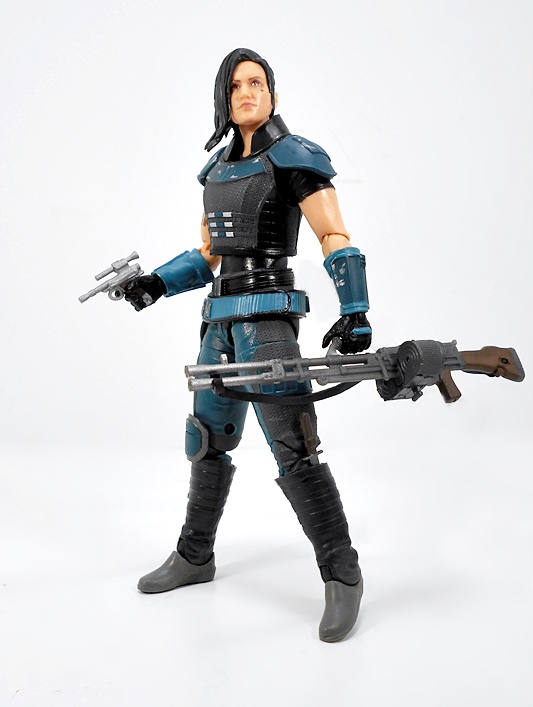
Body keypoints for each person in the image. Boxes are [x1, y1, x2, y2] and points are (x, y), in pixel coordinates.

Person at [124, 48, 372, 643]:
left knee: (294, 446)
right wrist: (157, 282)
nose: (247, 92)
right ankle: (195, 554)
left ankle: (342, 572)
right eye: (236, 85)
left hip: (268, 322)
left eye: (257, 82)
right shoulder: (216, 171)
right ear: (225, 99)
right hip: (220, 322)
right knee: (206, 439)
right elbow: (210, 253)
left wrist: (355, 309)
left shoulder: (294, 158)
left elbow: (333, 233)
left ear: (273, 94)